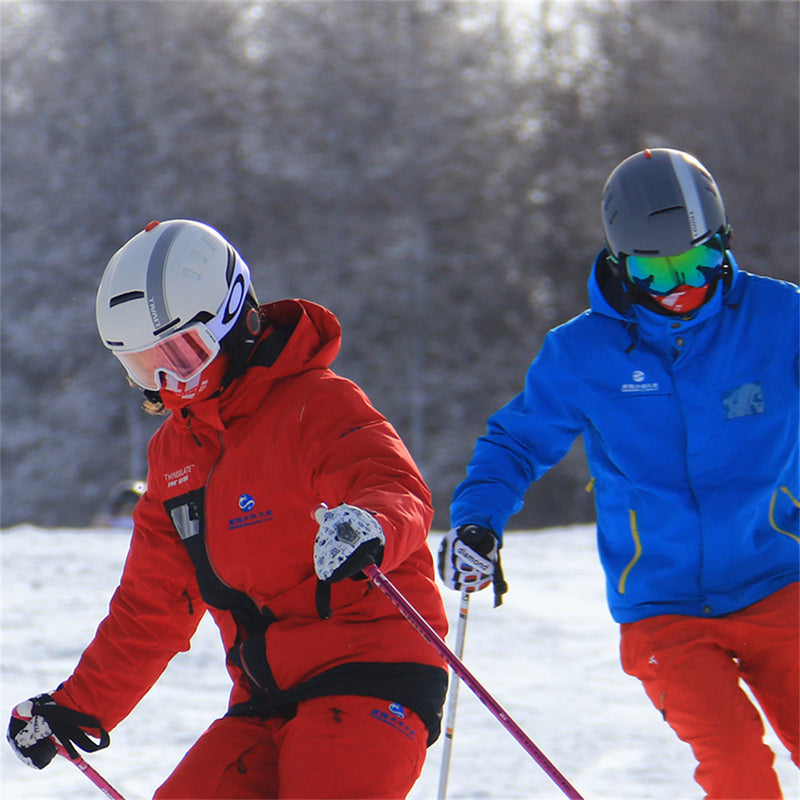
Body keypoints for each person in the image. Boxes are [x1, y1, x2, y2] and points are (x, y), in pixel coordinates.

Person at [8, 219, 448, 799]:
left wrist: (372, 526)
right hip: (263, 700)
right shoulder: (174, 456)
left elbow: (392, 485)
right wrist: (77, 709)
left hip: (371, 676)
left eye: (182, 355)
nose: (170, 382)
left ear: (234, 317)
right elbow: (153, 606)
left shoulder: (316, 404)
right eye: (145, 366)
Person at [438, 148, 799, 799]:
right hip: (663, 608)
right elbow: (516, 444)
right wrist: (476, 522)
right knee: (737, 765)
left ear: (725, 246)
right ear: (618, 262)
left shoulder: (780, 320)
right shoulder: (582, 354)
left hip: (781, 580)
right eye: (653, 273)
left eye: (696, 264)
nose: (680, 288)